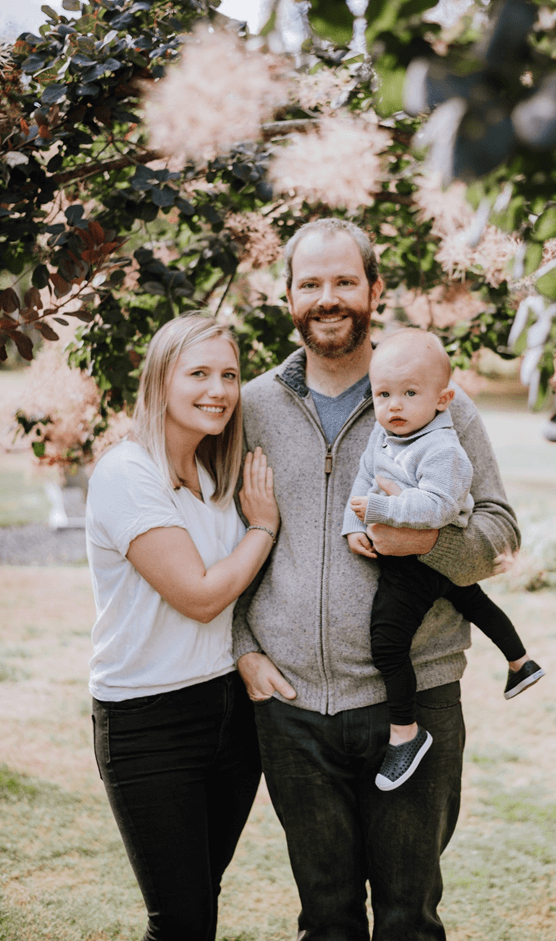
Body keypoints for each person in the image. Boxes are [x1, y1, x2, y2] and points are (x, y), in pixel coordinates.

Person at [234, 218, 521, 941]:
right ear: (288, 296)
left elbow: (500, 531)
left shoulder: (436, 400)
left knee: (406, 921)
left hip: (415, 700)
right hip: (292, 708)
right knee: (325, 921)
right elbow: (220, 536)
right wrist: (243, 645)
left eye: (344, 281)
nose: (327, 298)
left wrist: (427, 541)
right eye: (310, 283)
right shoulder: (253, 407)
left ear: (375, 289)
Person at [87, 314, 279, 941]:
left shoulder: (216, 477)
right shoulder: (127, 472)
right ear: (160, 380)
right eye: (198, 373)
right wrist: (263, 528)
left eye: (229, 375)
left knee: (200, 901)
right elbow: (200, 597)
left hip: (230, 712)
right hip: (148, 719)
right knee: (180, 922)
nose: (218, 390)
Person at [342, 328, 544, 792]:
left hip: (420, 560)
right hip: (428, 559)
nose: (394, 406)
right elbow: (364, 478)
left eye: (410, 394)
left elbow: (437, 507)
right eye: (383, 394)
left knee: (388, 644)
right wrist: (353, 524)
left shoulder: (442, 449)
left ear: (442, 399)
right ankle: (521, 662)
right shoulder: (384, 435)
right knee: (472, 601)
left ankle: (405, 733)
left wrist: (381, 509)